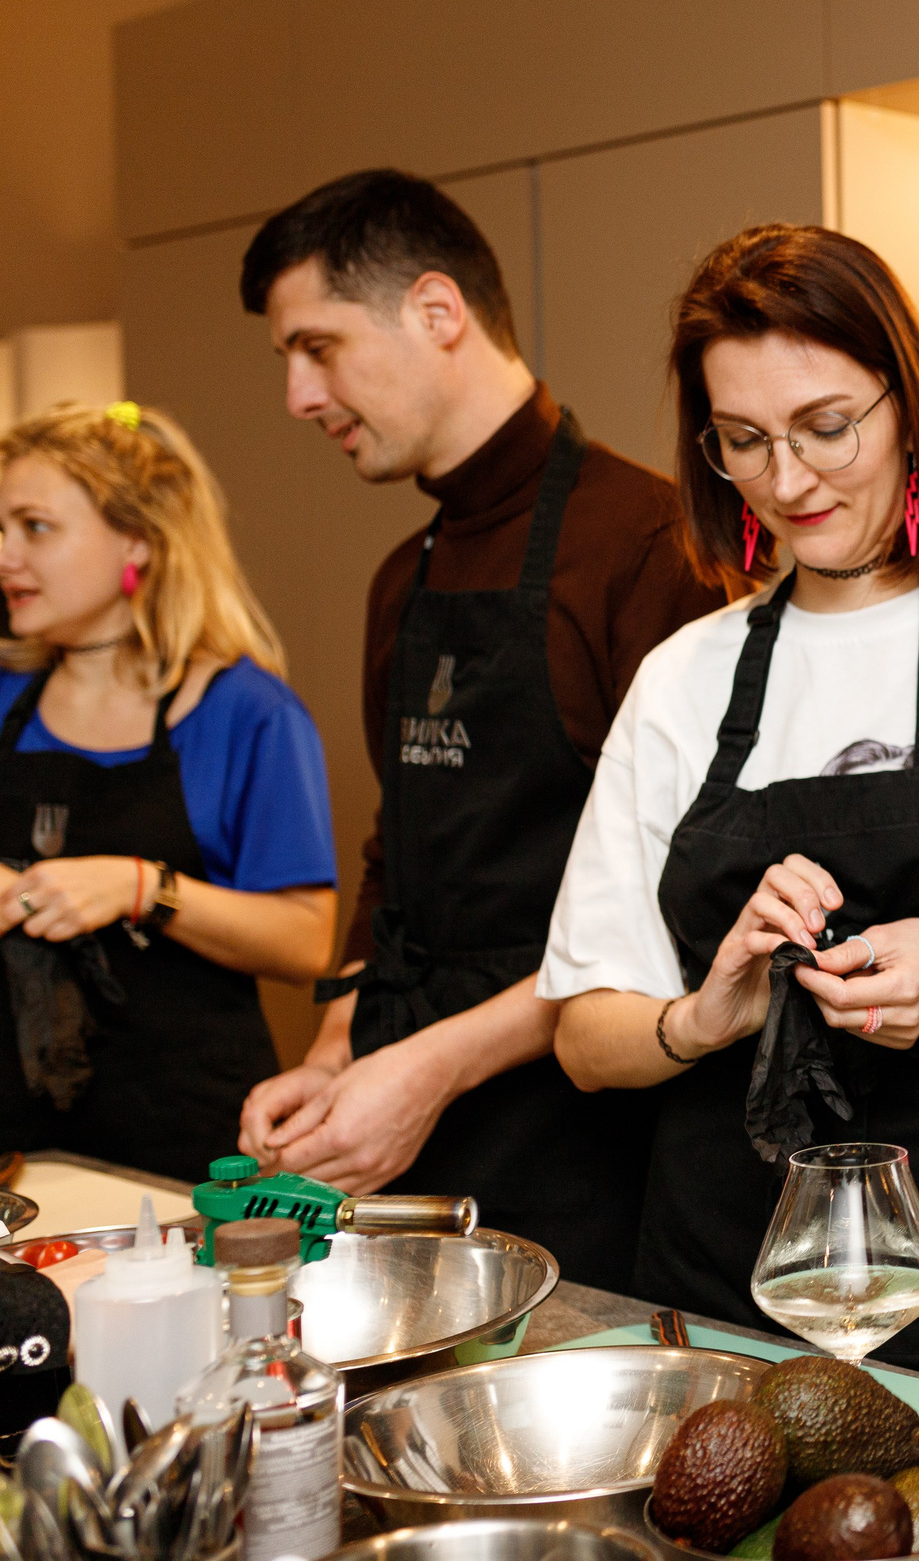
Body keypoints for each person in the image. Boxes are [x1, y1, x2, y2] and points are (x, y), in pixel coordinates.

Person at [542, 224, 919, 1415]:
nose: (789, 481)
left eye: (824, 428)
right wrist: (704, 1015)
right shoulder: (686, 676)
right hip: (727, 1282)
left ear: (906, 403)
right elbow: (584, 1033)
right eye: (743, 443)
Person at [234, 169, 723, 1286]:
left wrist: (429, 1068)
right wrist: (338, 1045)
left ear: (437, 312)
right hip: (414, 1114)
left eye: (319, 348)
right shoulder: (397, 578)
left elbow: (674, 893)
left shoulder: (650, 545)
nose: (300, 398)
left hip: (591, 1130)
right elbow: (393, 859)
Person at [0, 402, 336, 1181]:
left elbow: (304, 940)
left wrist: (141, 886)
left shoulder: (247, 711)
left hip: (180, 1156)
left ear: (138, 540)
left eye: (35, 527)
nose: (6, 555)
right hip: (16, 1155)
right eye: (2, 528)